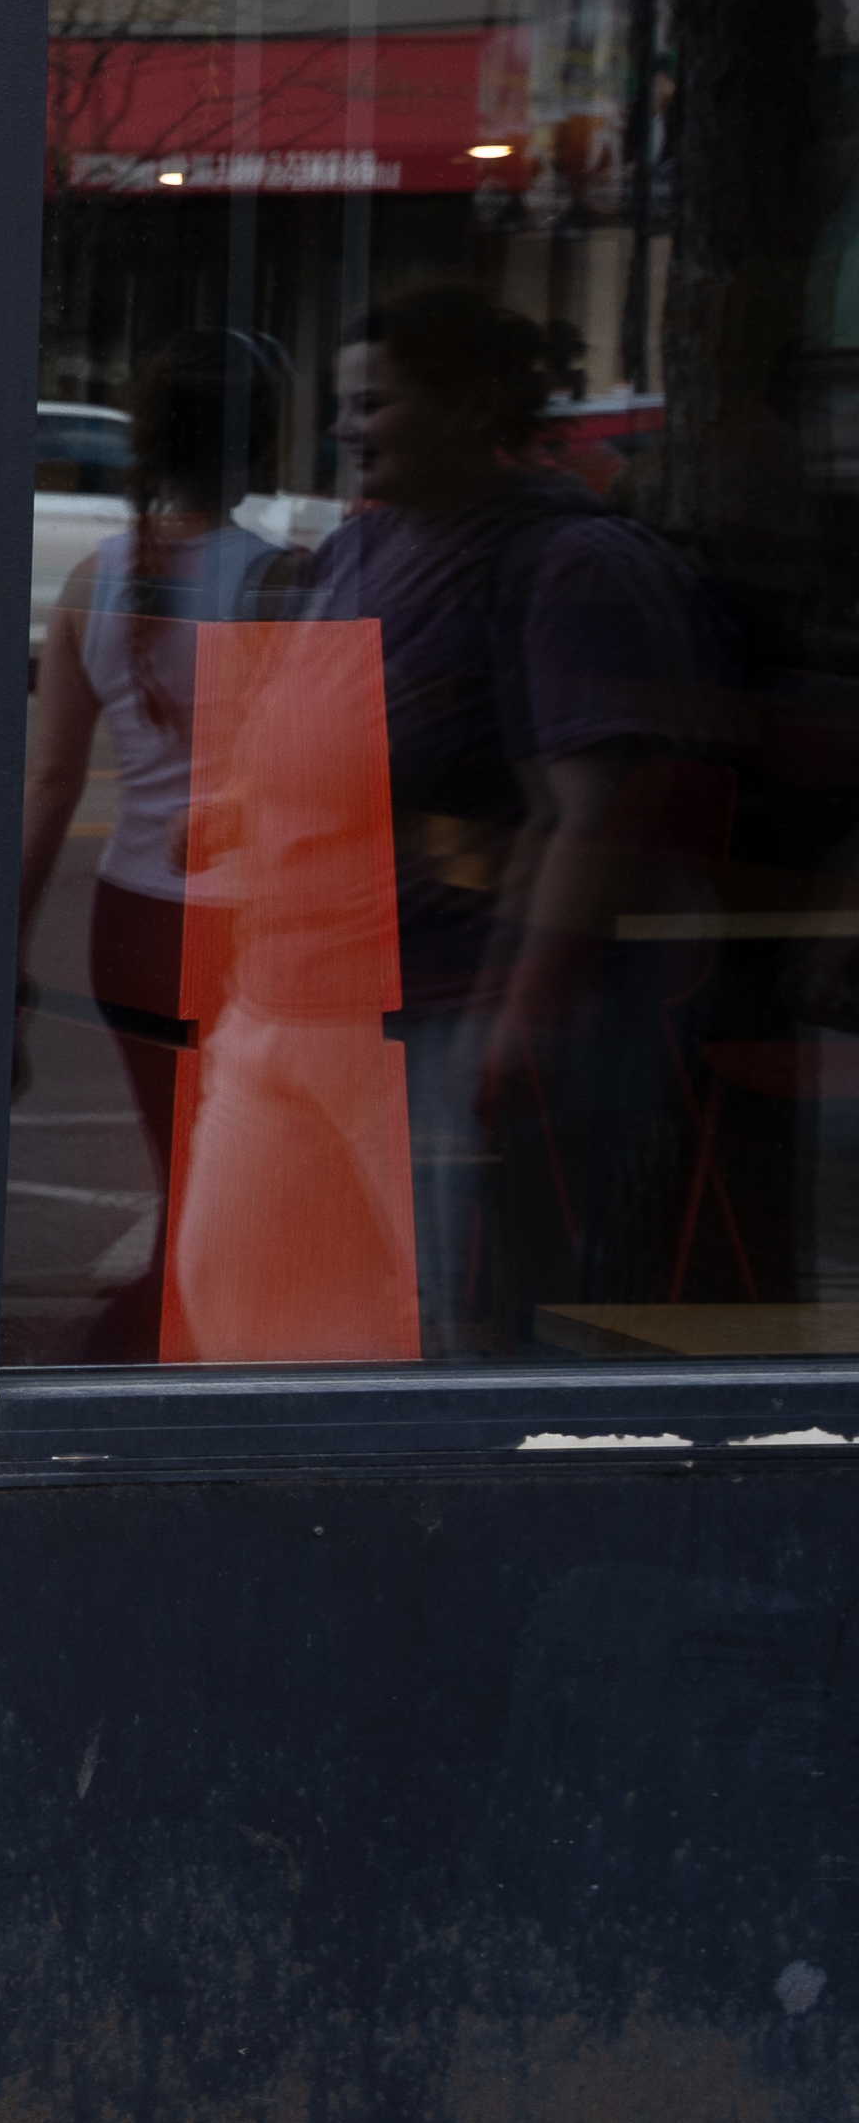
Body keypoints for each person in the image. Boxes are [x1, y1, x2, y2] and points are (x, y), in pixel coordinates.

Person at [291, 282, 719, 1348]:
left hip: (455, 1017)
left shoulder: (572, 564)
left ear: (475, 406)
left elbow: (595, 817)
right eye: (342, 404)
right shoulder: (357, 550)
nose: (344, 428)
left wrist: (521, 1016)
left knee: (455, 1324)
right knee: (340, 1311)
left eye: (372, 402)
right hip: (335, 1003)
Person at [14, 330, 293, 1354]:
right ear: (263, 449)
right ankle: (172, 1354)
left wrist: (12, 946)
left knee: (183, 1168)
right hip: (257, 926)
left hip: (131, 918)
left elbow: (49, 781)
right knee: (240, 1181)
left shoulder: (97, 576)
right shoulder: (282, 581)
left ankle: (153, 1348)